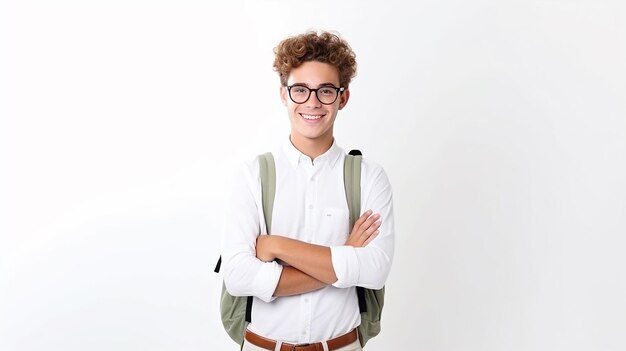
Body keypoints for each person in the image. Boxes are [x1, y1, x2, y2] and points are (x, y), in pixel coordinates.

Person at [220, 30, 395, 351]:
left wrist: (276, 245)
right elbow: (237, 275)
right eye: (300, 90)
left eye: (325, 91)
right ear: (284, 95)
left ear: (343, 97)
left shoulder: (369, 177)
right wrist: (345, 253)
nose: (312, 102)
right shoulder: (253, 175)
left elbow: (374, 271)